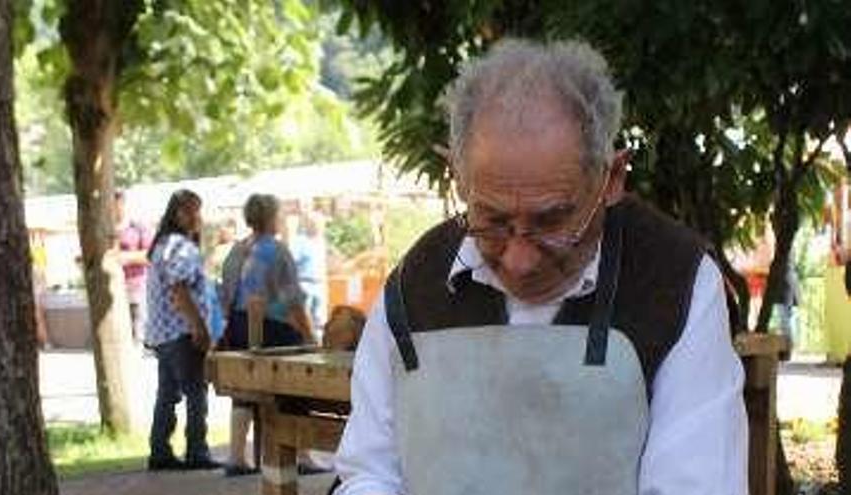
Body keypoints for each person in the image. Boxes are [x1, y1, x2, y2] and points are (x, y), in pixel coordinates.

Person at [333, 39, 748, 495]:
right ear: (458, 175)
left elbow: (697, 484)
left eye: (551, 221)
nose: (519, 259)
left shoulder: (675, 280)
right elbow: (369, 471)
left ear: (611, 179)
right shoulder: (416, 286)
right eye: (492, 220)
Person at [218, 193, 313, 476]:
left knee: (244, 390)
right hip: (273, 327)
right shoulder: (277, 250)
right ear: (272, 217)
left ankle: (236, 458)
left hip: (238, 324)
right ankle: (303, 456)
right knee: (298, 382)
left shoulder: (237, 249)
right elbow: (293, 300)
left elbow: (226, 295)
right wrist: (309, 336)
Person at [144, 189, 220, 471]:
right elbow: (180, 290)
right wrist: (199, 327)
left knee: (167, 394)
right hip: (180, 332)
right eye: (190, 211)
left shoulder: (162, 244)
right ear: (176, 214)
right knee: (195, 392)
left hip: (162, 334)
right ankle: (197, 451)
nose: (196, 217)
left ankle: (160, 451)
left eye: (197, 210)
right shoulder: (180, 246)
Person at [114, 190, 153, 342]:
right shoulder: (104, 228)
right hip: (111, 290)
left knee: (136, 333)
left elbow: (151, 255)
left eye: (117, 203)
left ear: (122, 203)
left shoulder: (137, 227)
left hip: (134, 289)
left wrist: (126, 257)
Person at [289, 210, 329, 338]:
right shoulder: (299, 241)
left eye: (321, 223)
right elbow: (291, 264)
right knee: (305, 321)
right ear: (310, 224)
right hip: (304, 283)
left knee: (320, 320)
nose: (320, 226)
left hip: (320, 284)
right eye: (317, 223)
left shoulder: (321, 241)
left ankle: (319, 344)